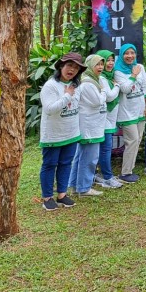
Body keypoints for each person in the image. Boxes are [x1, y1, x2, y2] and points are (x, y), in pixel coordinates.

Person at [39, 53, 85, 210]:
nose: (72, 70)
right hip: (53, 134)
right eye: (69, 66)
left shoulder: (75, 86)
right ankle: (47, 198)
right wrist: (67, 96)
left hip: (71, 132)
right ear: (60, 66)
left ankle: (62, 195)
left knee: (66, 164)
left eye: (76, 67)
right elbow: (50, 109)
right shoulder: (50, 86)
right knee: (50, 164)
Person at [72, 54, 109, 196]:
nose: (100, 67)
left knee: (81, 156)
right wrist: (104, 91)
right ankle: (84, 187)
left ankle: (76, 185)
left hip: (92, 125)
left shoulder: (93, 81)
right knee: (89, 158)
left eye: (101, 64)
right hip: (89, 127)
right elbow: (97, 101)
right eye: (97, 64)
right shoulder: (88, 83)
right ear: (89, 66)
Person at [114, 43, 146, 183]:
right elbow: (125, 89)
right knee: (132, 140)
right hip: (126, 112)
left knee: (137, 140)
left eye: (132, 53)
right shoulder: (118, 71)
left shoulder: (141, 67)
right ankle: (125, 173)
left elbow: (145, 86)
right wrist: (133, 75)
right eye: (126, 53)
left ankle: (130, 168)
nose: (130, 56)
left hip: (140, 110)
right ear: (122, 55)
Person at [94, 50, 122, 189]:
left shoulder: (109, 77)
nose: (110, 63)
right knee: (105, 149)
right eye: (107, 61)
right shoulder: (102, 78)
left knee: (104, 149)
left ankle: (100, 174)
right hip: (104, 119)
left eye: (112, 60)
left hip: (109, 119)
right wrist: (117, 86)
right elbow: (110, 97)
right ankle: (107, 177)